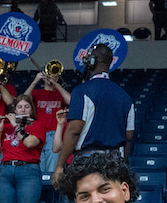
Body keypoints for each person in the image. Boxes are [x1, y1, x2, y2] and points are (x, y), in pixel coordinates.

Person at [53, 45, 134, 187]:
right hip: (115, 162)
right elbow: (128, 137)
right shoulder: (126, 97)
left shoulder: (81, 91)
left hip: (87, 161)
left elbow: (74, 130)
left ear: (91, 62)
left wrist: (60, 166)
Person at [0, 94, 45, 203]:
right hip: (6, 170)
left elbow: (30, 143)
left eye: (27, 107)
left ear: (31, 110)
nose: (23, 110)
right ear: (15, 110)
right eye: (19, 107)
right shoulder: (6, 126)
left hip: (28, 170)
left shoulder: (37, 125)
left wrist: (16, 126)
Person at [21, 67, 71, 176]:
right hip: (38, 134)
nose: (51, 77)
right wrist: (35, 81)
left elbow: (71, 101)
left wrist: (56, 84)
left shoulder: (59, 94)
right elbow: (23, 99)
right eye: (49, 74)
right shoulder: (37, 92)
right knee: (38, 170)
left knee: (51, 171)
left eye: (54, 75)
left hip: (54, 135)